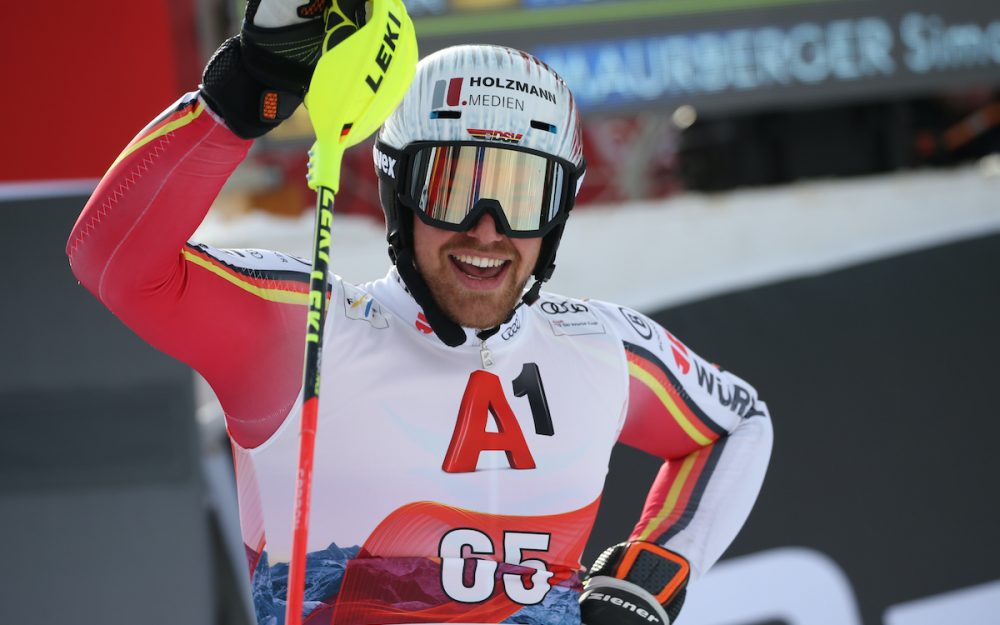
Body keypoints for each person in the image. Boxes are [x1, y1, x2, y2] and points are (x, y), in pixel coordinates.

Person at [67, 1, 772, 624]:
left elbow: (739, 421)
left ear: (556, 215)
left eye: (522, 196)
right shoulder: (302, 332)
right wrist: (245, 88)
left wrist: (651, 575)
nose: (488, 228)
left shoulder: (596, 345)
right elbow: (115, 264)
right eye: (452, 185)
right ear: (398, 194)